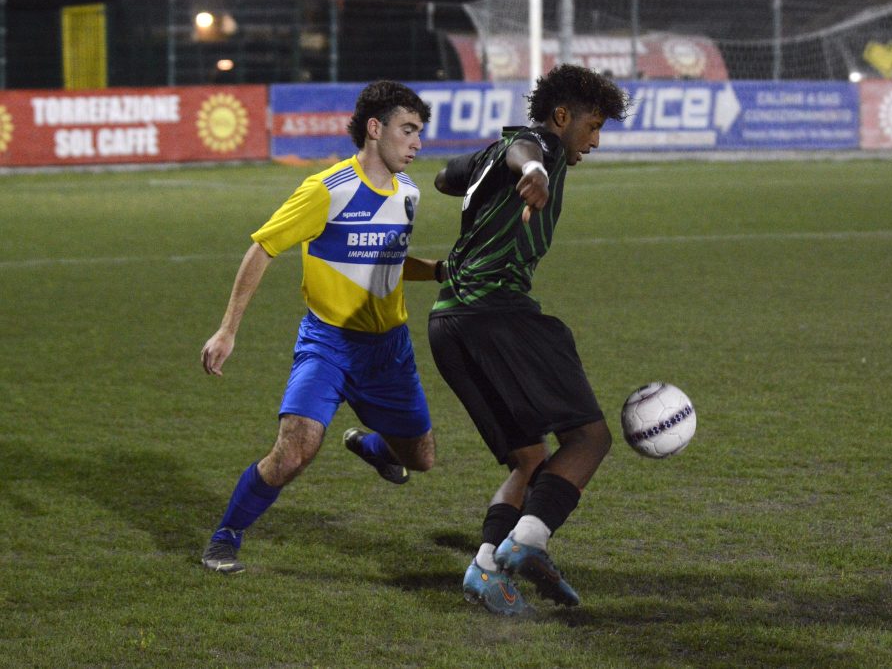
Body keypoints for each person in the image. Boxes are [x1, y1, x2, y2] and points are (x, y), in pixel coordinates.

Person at [200, 80, 442, 574]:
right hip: (328, 344)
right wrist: (227, 330)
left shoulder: (410, 193)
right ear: (375, 129)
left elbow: (388, 260)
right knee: (294, 451)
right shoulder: (327, 189)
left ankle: (372, 445)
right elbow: (263, 247)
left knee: (421, 459)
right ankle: (226, 535)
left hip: (390, 350)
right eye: (409, 129)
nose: (418, 142)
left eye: (420, 131)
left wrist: (436, 270)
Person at [427, 64, 629, 615]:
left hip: (449, 323)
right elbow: (527, 149)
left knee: (529, 461)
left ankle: (486, 569)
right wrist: (536, 167)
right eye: (592, 126)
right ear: (562, 116)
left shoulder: (494, 154)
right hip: (497, 314)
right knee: (589, 440)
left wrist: (485, 173)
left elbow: (446, 177)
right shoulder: (539, 145)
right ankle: (529, 542)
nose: (595, 140)